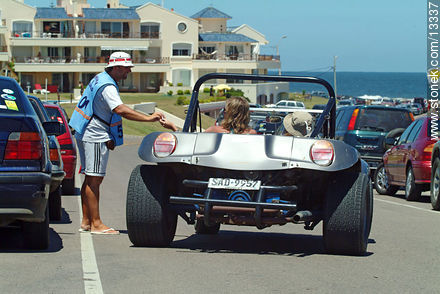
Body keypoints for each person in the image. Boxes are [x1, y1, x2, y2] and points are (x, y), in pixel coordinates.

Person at [69, 51, 175, 235]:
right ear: (116, 67)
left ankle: (87, 221)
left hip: (85, 130)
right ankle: (96, 224)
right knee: (94, 179)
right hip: (94, 134)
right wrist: (148, 119)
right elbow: (120, 109)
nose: (128, 72)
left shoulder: (100, 78)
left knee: (90, 178)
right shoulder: (108, 86)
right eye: (126, 68)